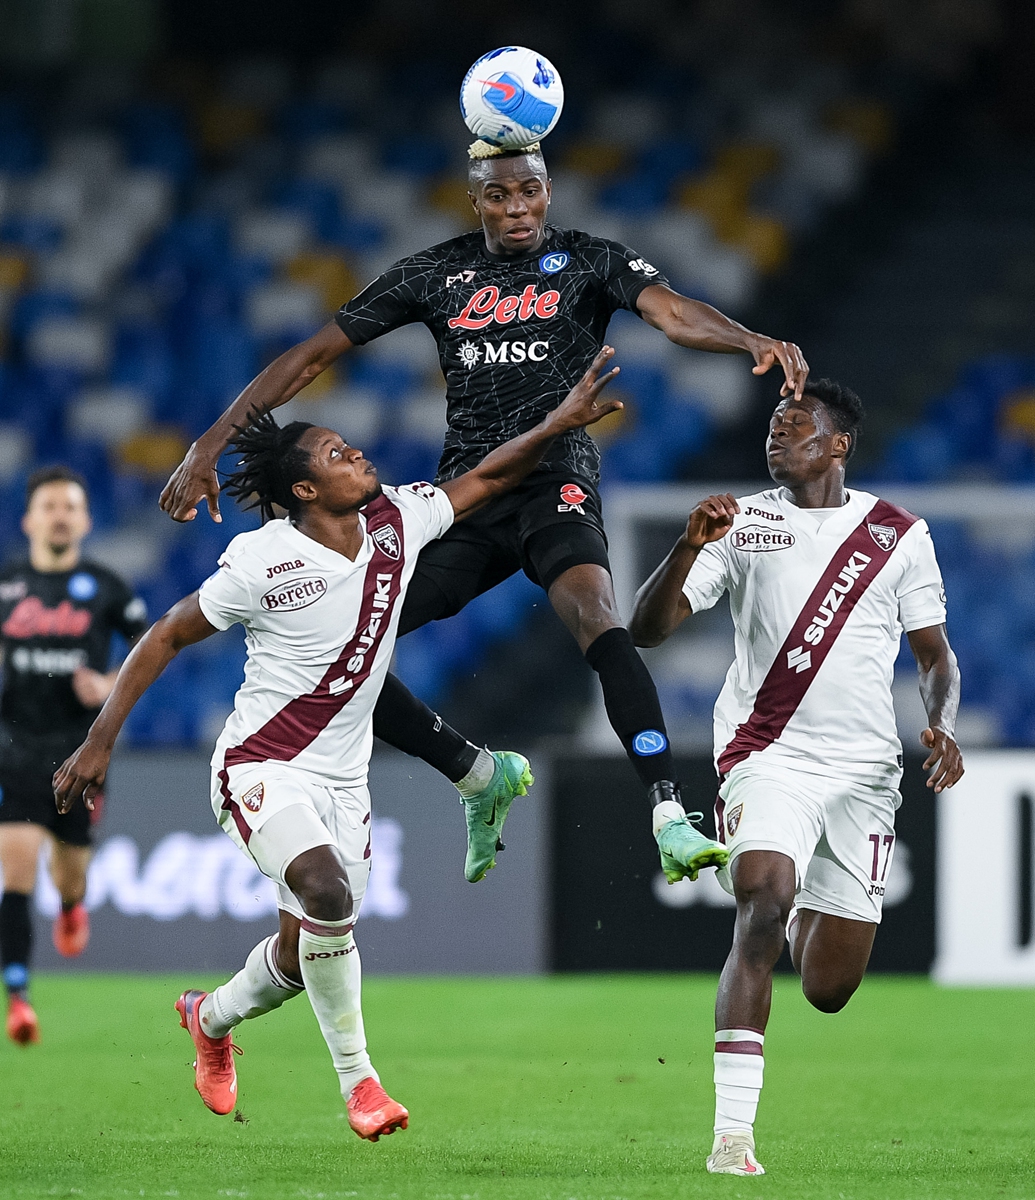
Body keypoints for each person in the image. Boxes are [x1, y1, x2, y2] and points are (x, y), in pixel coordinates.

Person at [158, 138, 808, 884]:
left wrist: (746, 338)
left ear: (548, 191)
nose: (516, 208)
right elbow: (310, 356)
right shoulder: (433, 273)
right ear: (476, 203)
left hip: (551, 478)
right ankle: (476, 775)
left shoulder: (592, 261)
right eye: (499, 197)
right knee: (345, 641)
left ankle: (667, 812)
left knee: (597, 614)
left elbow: (672, 314)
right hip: (463, 496)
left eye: (528, 191)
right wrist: (209, 444)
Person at [54, 349, 622, 1139]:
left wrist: (558, 424)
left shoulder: (395, 520)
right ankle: (361, 1087)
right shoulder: (261, 560)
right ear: (303, 491)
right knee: (327, 893)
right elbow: (163, 636)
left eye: (349, 446)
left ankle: (210, 1019)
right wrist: (99, 741)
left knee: (300, 954)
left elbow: (486, 480)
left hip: (343, 783)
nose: (356, 454)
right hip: (261, 765)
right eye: (334, 453)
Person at [628, 379, 963, 1176]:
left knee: (826, 987)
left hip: (862, 771)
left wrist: (942, 725)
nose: (776, 438)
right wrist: (685, 545)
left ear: (836, 444)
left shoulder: (896, 533)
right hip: (764, 751)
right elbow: (647, 630)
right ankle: (731, 1136)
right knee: (761, 898)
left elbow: (934, 655)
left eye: (795, 427)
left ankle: (819, 891)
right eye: (773, 428)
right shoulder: (740, 523)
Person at [0, 466, 147, 1045]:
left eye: (70, 506)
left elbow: (152, 647)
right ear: (29, 519)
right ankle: (18, 998)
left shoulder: (107, 586)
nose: (60, 515)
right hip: (12, 744)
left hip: (81, 752)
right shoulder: (7, 583)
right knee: (14, 869)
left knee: (70, 871)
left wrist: (112, 680)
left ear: (85, 520)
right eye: (50, 506)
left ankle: (71, 905)